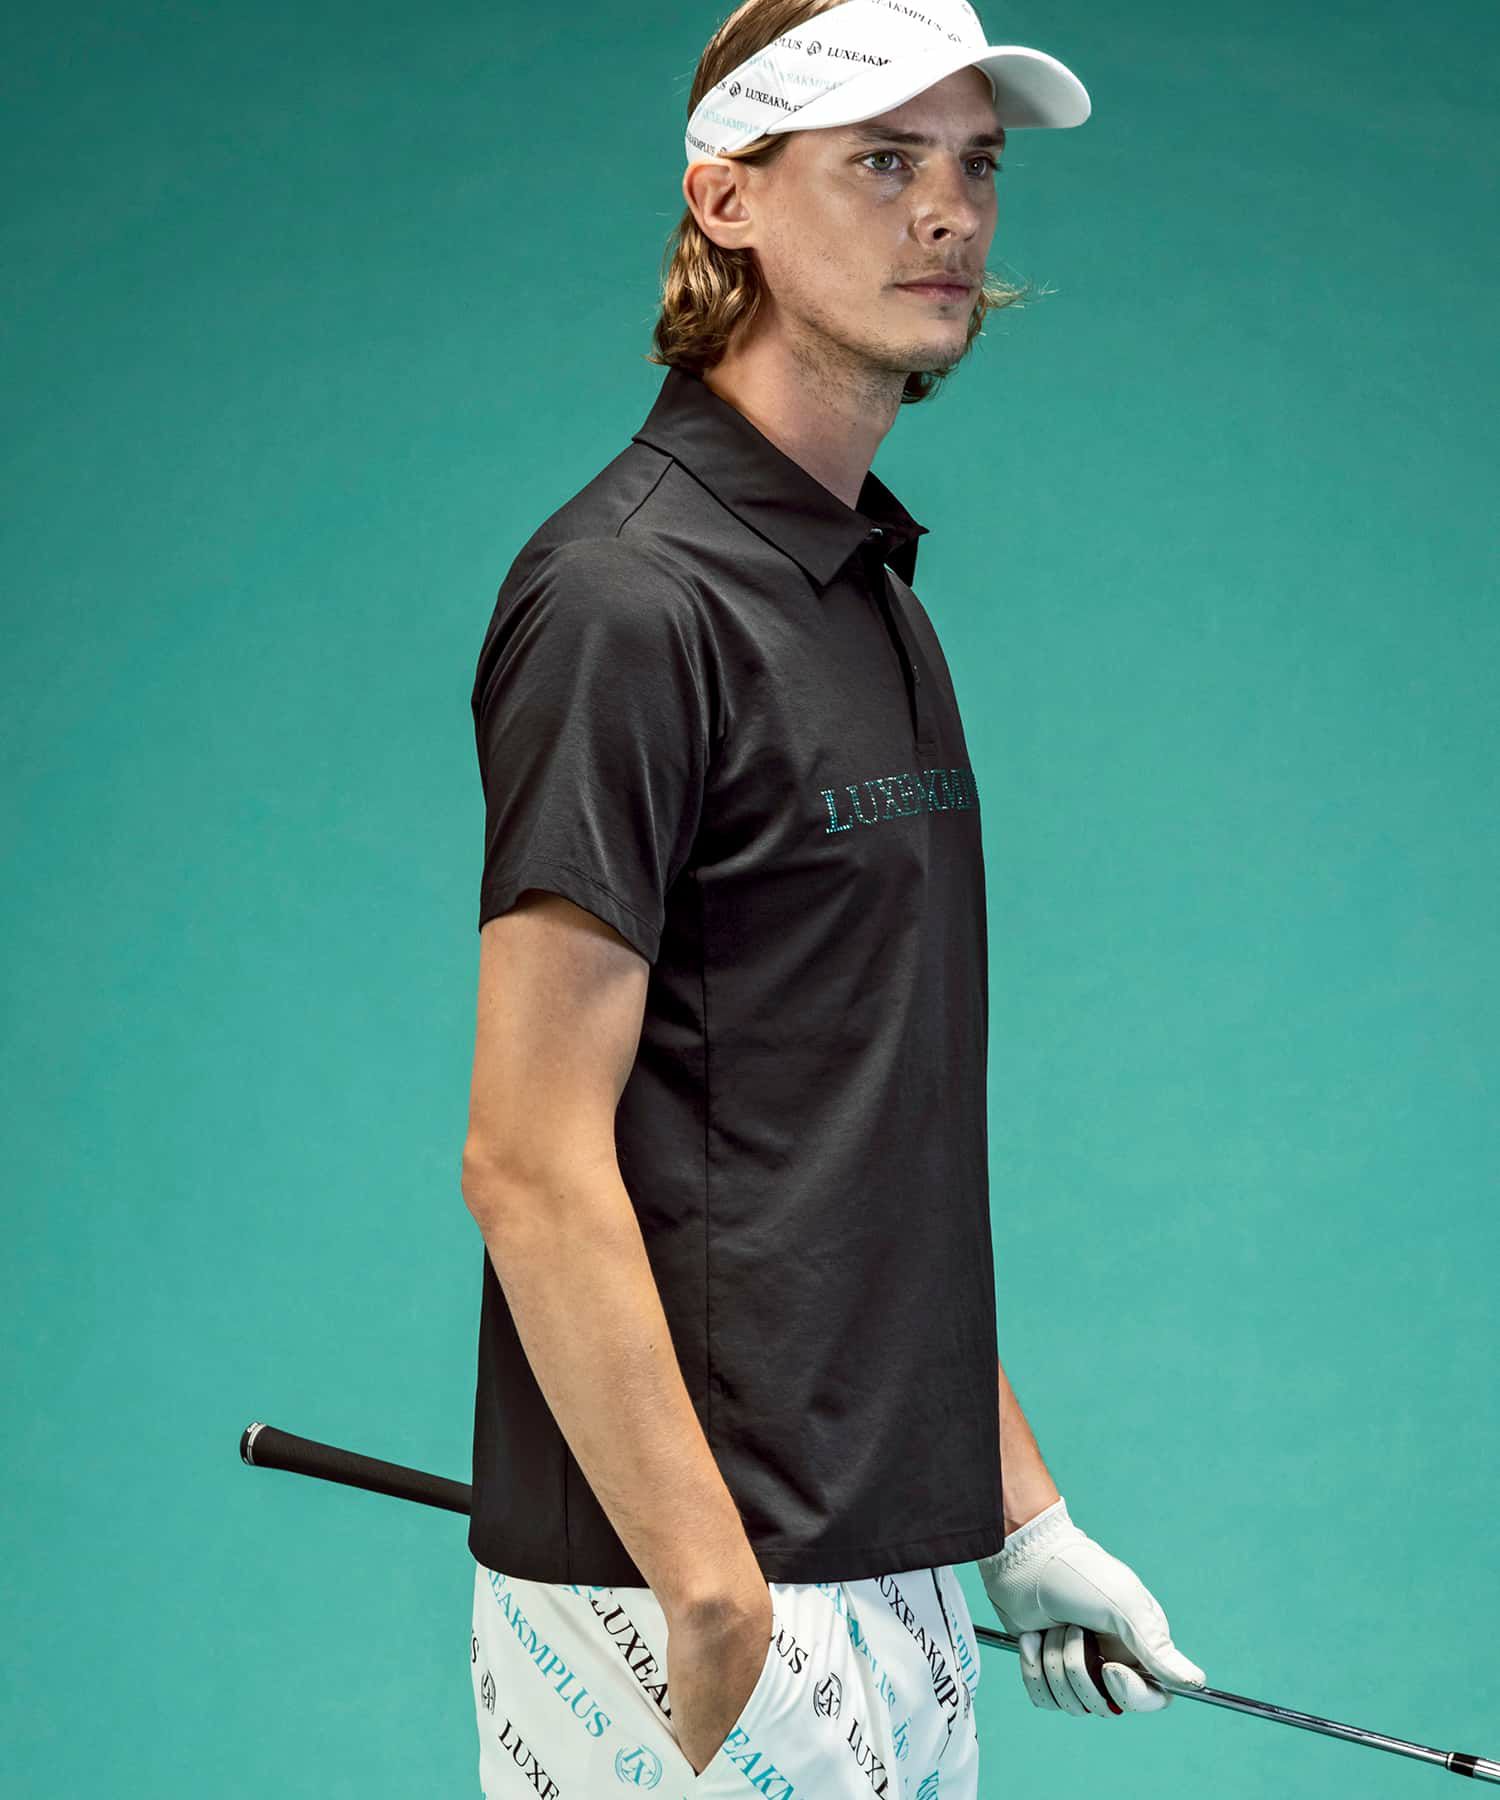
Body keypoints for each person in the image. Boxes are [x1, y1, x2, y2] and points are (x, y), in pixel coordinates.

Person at [460, 2, 1207, 1794]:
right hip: (688, 1587)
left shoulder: (863, 590)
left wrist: (1018, 1515)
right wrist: (711, 1591)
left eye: (976, 164)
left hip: (899, 1570)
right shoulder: (630, 598)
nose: (948, 211)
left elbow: (857, 1146)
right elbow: (527, 1153)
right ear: (727, 201)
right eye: (881, 161)